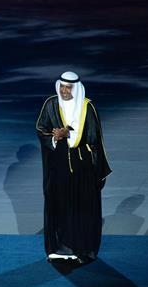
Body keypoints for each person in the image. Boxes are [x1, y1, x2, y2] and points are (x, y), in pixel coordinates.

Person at [35, 71, 111, 262]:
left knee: (82, 207)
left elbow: (94, 138)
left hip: (82, 167)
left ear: (76, 89)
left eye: (68, 87)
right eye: (62, 86)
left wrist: (69, 134)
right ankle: (60, 248)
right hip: (57, 166)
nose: (64, 90)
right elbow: (40, 129)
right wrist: (54, 137)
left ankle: (83, 250)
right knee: (58, 205)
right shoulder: (51, 104)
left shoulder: (87, 107)